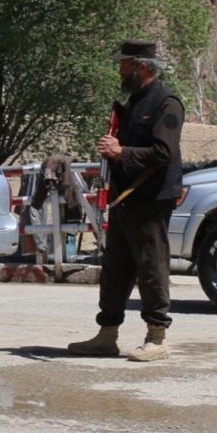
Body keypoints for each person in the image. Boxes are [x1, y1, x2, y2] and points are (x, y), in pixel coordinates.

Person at [68, 39, 185, 363]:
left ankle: (156, 337)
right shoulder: (133, 102)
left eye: (124, 65)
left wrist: (122, 152)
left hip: (150, 199)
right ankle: (107, 336)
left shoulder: (167, 103)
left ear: (142, 67)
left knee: (151, 268)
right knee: (115, 271)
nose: (119, 70)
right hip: (124, 199)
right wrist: (114, 144)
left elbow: (164, 152)